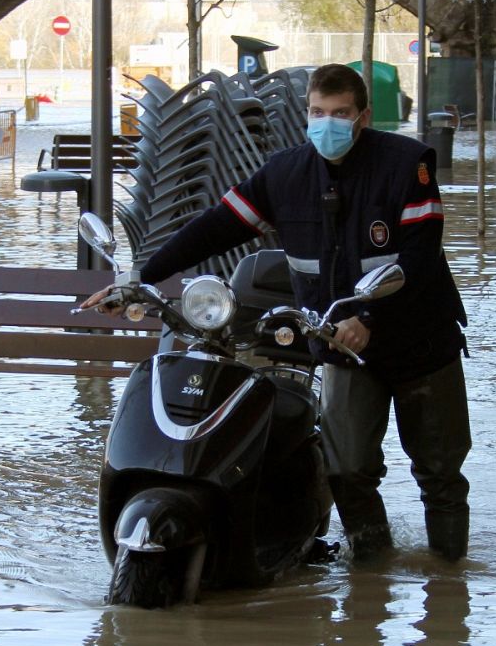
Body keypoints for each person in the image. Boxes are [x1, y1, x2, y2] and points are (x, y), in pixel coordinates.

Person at [81, 64, 472, 562]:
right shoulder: (285, 174)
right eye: (317, 112)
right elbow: (215, 227)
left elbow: (419, 256)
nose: (326, 124)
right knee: (347, 468)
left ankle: (448, 584)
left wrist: (369, 319)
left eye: (340, 114)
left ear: (364, 116)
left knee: (439, 472)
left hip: (419, 342)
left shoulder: (407, 165)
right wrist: (141, 278)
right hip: (341, 347)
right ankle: (372, 577)